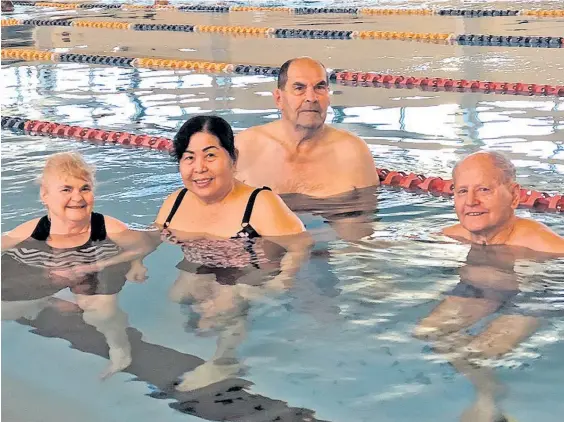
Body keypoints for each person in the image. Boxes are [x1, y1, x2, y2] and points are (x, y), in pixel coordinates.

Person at [153, 115, 312, 390]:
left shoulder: (260, 203)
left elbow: (301, 245)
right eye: (189, 158)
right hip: (201, 266)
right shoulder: (175, 203)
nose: (199, 168)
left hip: (249, 273)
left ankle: (225, 360)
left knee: (227, 298)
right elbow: (154, 242)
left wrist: (281, 283)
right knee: (176, 295)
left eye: (210, 155)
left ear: (233, 158)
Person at [1, 152, 151, 378]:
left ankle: (119, 347)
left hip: (97, 262)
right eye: (66, 189)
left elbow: (143, 244)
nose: (77, 197)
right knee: (5, 310)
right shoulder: (32, 230)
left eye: (85, 188)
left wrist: (135, 264)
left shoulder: (107, 226)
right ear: (45, 195)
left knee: (101, 314)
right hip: (52, 267)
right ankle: (48, 301)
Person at [235, 56, 380, 198]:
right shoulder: (244, 148)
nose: (311, 97)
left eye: (319, 87)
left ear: (328, 96)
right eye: (299, 88)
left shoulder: (354, 153)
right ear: (279, 99)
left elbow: (362, 219)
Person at [443, 151, 564, 254]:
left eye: (484, 190)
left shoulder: (551, 249)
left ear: (514, 196)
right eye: (463, 191)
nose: (470, 202)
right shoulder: (448, 237)